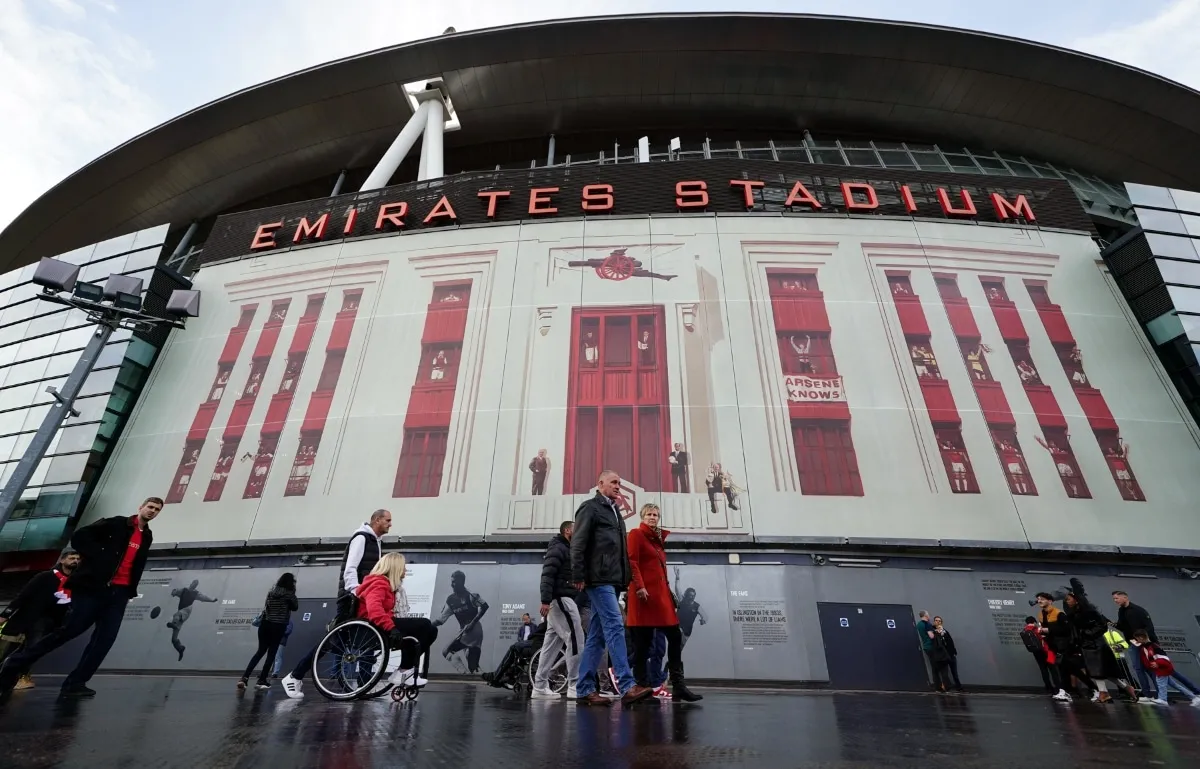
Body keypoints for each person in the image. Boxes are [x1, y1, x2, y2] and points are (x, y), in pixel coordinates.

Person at [0, 498, 162, 699]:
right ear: (141, 507)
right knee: (69, 631)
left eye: (157, 509)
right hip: (93, 589)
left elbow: (136, 563)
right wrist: (100, 555)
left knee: (105, 640)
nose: (152, 511)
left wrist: (129, 590)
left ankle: (76, 682)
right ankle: (14, 663)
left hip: (119, 593)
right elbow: (79, 537)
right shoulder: (116, 523)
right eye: (150, 507)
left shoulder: (147, 536)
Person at [281, 509, 391, 699]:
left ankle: (364, 685)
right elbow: (351, 568)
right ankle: (294, 675)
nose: (390, 524)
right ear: (376, 520)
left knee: (368, 637)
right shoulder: (362, 538)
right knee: (334, 640)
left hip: (362, 596)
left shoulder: (375, 542)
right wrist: (357, 591)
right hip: (351, 597)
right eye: (388, 520)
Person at [570, 470, 654, 706]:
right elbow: (578, 543)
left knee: (597, 637)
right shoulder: (590, 508)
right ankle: (627, 685)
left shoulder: (616, 511)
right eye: (614, 482)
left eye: (619, 483)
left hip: (614, 580)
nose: (618, 486)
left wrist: (625, 579)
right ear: (600, 484)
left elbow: (619, 551)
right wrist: (578, 573)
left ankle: (585, 689)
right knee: (615, 625)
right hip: (598, 580)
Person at [626, 503, 702, 702]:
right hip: (644, 596)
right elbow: (632, 561)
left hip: (660, 598)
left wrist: (669, 595)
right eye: (649, 514)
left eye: (656, 515)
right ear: (642, 517)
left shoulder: (657, 541)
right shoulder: (636, 534)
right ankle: (642, 688)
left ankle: (678, 685)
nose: (653, 517)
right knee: (643, 645)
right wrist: (640, 586)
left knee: (675, 637)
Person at [0, 549, 81, 691]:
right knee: (31, 648)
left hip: (54, 622)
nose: (75, 561)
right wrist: (6, 614)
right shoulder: (45, 576)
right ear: (62, 560)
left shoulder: (77, 581)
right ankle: (19, 676)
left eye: (77, 559)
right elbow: (24, 595)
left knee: (27, 649)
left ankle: (14, 674)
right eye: (71, 558)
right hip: (35, 619)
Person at [358, 553, 437, 688]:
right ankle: (404, 671)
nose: (405, 570)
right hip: (374, 627)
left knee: (432, 630)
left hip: (381, 625)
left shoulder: (387, 585)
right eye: (403, 567)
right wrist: (391, 627)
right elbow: (374, 610)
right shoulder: (378, 583)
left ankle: (404, 670)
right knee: (424, 624)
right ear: (395, 568)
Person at [532, 520, 586, 700]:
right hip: (561, 599)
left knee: (551, 643)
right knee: (576, 638)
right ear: (568, 530)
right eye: (577, 528)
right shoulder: (558, 548)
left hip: (559, 600)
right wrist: (545, 600)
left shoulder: (566, 549)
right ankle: (574, 685)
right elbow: (547, 574)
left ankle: (539, 686)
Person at [1063, 579, 1130, 703]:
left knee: (1098, 670)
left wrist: (1087, 634)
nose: (1067, 602)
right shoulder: (1074, 613)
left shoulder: (1088, 610)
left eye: (1068, 599)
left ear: (1076, 599)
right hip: (1086, 644)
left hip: (1095, 644)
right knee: (1100, 671)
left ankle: (1106, 693)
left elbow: (1102, 625)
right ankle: (1123, 688)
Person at [239, 573, 298, 690]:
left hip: (265, 624)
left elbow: (266, 606)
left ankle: (244, 678)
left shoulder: (271, 592)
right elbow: (295, 607)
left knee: (260, 652)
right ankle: (262, 680)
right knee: (271, 654)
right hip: (278, 626)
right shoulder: (289, 594)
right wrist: (292, 594)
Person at [1036, 591, 1091, 701]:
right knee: (1066, 670)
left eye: (1042, 599)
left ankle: (1091, 689)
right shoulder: (1041, 614)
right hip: (1053, 646)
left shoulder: (1059, 614)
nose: (1039, 601)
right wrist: (1043, 632)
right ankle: (1066, 691)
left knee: (1068, 670)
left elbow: (1067, 630)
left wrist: (1049, 630)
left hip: (1064, 646)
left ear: (1050, 601)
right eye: (1038, 599)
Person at [432, 570, 489, 673]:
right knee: (473, 664)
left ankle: (464, 673)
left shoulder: (472, 595)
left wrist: (472, 623)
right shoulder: (451, 599)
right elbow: (441, 619)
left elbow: (485, 606)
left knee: (447, 650)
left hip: (473, 629)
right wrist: (427, 624)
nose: (452, 585)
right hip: (465, 630)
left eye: (454, 582)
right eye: (451, 582)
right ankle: (479, 675)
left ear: (462, 582)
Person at [1112, 590, 1157, 698]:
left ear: (1125, 598)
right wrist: (1111, 623)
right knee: (1138, 668)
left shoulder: (1138, 610)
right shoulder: (1121, 611)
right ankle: (1146, 693)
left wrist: (1142, 640)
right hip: (1132, 644)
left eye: (1117, 598)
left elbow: (1149, 627)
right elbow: (1122, 626)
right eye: (1114, 599)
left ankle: (1160, 692)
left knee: (1151, 668)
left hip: (1145, 644)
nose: (1115, 601)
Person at [167, 579, 219, 662]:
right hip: (181, 612)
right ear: (191, 583)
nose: (194, 585)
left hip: (187, 610)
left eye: (196, 584)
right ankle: (180, 648)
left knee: (177, 615)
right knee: (174, 639)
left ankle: (174, 624)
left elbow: (204, 597)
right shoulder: (184, 590)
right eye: (194, 583)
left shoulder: (196, 593)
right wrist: (174, 592)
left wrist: (212, 600)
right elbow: (176, 591)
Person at [485, 620, 545, 689]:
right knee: (519, 654)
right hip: (537, 643)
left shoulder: (538, 625)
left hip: (538, 644)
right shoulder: (524, 627)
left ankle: (497, 675)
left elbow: (536, 634)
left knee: (514, 648)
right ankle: (508, 677)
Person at [1021, 616, 1070, 700]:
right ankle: (1059, 689)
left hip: (1036, 652)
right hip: (1046, 652)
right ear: (1034, 621)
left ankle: (1049, 688)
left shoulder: (1025, 630)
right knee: (1053, 670)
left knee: (1043, 670)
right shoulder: (1037, 629)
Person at [673, 567, 707, 650]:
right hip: (678, 627)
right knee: (676, 642)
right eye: (689, 595)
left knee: (679, 648)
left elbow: (705, 616)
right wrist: (677, 578)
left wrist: (703, 620)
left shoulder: (696, 606)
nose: (691, 597)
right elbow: (677, 589)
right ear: (686, 595)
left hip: (687, 631)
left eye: (693, 596)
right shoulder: (682, 600)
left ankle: (674, 660)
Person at [931, 616, 963, 692]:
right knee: (944, 673)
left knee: (954, 672)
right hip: (943, 656)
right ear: (934, 622)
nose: (938, 622)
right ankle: (946, 688)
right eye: (936, 620)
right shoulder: (934, 632)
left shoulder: (945, 631)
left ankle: (959, 687)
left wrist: (954, 652)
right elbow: (937, 643)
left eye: (939, 621)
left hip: (950, 654)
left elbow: (950, 642)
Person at [916, 610, 938, 689]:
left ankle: (936, 685)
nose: (929, 615)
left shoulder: (919, 624)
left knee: (933, 666)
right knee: (936, 667)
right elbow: (931, 636)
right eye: (928, 614)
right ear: (925, 615)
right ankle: (938, 686)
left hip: (926, 646)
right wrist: (937, 633)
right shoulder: (927, 624)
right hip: (931, 646)